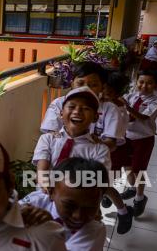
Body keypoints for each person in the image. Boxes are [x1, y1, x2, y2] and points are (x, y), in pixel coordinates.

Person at [34, 86, 133, 235]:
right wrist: (48, 191)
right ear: (61, 114)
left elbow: (98, 181)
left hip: (78, 208)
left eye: (85, 108)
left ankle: (124, 212)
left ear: (95, 118)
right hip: (45, 198)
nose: (77, 111)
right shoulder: (48, 140)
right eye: (72, 107)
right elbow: (42, 170)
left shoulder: (99, 149)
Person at [20, 157, 109, 251]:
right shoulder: (36, 202)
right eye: (69, 205)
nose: (78, 216)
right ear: (51, 192)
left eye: (90, 207)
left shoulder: (94, 231)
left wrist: (48, 228)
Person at [41, 62, 124, 152]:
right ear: (72, 84)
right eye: (80, 83)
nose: (86, 88)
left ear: (102, 87)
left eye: (93, 85)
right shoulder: (58, 104)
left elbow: (111, 143)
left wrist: (88, 147)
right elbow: (51, 135)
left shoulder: (110, 109)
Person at [120, 70, 157, 217]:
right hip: (126, 136)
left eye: (149, 83)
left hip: (143, 139)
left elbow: (143, 118)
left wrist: (127, 107)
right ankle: (132, 187)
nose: (144, 86)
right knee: (127, 166)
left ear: (156, 85)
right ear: (136, 82)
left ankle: (140, 197)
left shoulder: (156, 101)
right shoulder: (130, 96)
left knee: (139, 170)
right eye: (141, 82)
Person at [101, 72, 131, 176]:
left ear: (117, 94)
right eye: (102, 90)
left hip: (114, 150)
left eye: (108, 93)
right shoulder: (106, 105)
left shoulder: (117, 110)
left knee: (107, 181)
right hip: (108, 148)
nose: (103, 95)